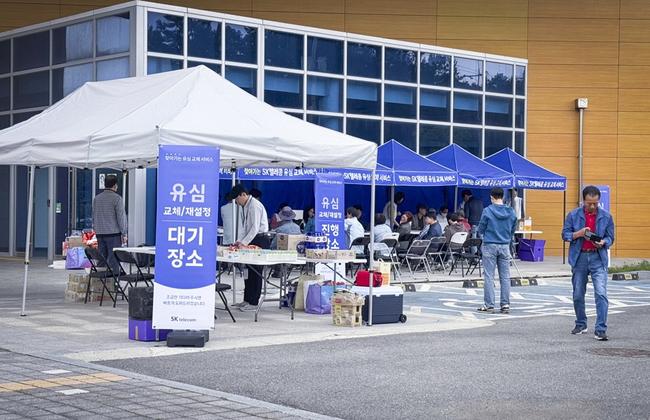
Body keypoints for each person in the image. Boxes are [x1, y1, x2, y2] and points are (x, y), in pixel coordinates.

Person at [562, 185, 615, 341]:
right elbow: (565, 234)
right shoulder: (573, 215)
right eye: (589, 203)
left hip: (598, 257)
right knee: (578, 293)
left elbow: (611, 238)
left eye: (595, 203)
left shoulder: (606, 216)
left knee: (601, 293)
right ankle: (581, 323)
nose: (592, 206)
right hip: (580, 258)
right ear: (583, 201)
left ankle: (600, 329)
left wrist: (603, 242)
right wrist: (578, 234)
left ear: (599, 201)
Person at [477, 187, 517, 314]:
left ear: (491, 197)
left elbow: (480, 229)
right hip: (505, 245)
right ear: (503, 197)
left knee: (489, 276)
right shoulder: (511, 211)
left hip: (490, 244)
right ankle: (505, 304)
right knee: (505, 277)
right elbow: (513, 228)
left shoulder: (487, 211)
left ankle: (489, 305)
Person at [230, 184, 270, 312]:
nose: (237, 202)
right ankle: (247, 299)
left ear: (243, 194)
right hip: (251, 239)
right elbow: (245, 227)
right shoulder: (246, 206)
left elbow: (255, 228)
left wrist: (244, 243)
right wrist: (239, 241)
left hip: (260, 239)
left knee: (256, 272)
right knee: (248, 271)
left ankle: (254, 302)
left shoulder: (254, 205)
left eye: (237, 199)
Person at [92, 174, 127, 274]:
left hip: (100, 233)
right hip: (113, 234)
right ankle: (113, 280)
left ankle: (101, 280)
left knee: (101, 259)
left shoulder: (96, 199)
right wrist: (124, 233)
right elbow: (121, 217)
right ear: (115, 185)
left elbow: (93, 216)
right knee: (113, 259)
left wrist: (96, 229)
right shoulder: (117, 198)